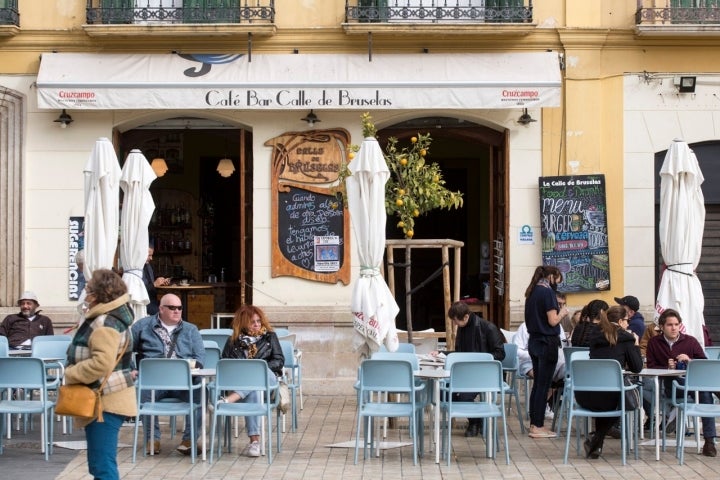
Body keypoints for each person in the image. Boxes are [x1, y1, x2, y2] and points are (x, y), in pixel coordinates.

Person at [64, 269, 137, 480]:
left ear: (98, 294)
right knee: (100, 464)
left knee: (102, 466)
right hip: (106, 399)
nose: (85, 293)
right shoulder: (111, 318)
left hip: (104, 402)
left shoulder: (105, 321)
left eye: (88, 289)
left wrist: (71, 373)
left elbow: (102, 363)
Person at [132, 293, 205, 456]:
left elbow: (200, 357)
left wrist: (192, 366)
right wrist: (132, 368)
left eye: (179, 308)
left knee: (200, 394)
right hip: (154, 381)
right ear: (161, 309)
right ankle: (152, 440)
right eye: (172, 308)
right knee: (144, 394)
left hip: (184, 381)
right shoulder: (142, 326)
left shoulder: (191, 329)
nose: (177, 311)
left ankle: (189, 441)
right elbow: (126, 350)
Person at [646, 308, 716, 457]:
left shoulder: (690, 341)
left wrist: (690, 361)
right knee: (705, 390)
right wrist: (667, 367)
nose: (674, 328)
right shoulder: (654, 342)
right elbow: (651, 367)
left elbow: (703, 363)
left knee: (704, 393)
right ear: (662, 326)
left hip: (692, 384)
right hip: (671, 386)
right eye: (670, 325)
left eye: (676, 324)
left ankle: (709, 441)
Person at [575, 306, 643, 459]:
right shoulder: (627, 338)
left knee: (609, 393)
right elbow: (637, 367)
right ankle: (596, 439)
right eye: (627, 321)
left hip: (585, 395)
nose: (628, 324)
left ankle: (596, 445)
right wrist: (636, 345)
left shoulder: (594, 336)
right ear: (620, 321)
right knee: (621, 399)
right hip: (611, 399)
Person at [220, 305, 285, 457]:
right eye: (252, 322)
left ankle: (232, 398)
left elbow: (279, 361)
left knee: (260, 376)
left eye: (259, 321)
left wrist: (257, 368)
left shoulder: (270, 337)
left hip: (267, 384)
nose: (257, 325)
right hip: (245, 386)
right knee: (254, 389)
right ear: (243, 324)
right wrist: (246, 373)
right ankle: (255, 442)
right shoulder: (232, 341)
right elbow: (225, 365)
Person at [447, 301, 505, 437]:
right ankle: (478, 419)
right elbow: (461, 354)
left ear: (466, 317)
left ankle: (475, 422)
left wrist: (480, 359)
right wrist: (441, 354)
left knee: (462, 396)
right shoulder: (463, 328)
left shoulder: (488, 328)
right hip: (466, 374)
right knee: (445, 393)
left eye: (456, 321)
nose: (455, 324)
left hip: (484, 375)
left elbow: (500, 353)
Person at [523, 265, 568, 439]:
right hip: (546, 342)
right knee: (545, 384)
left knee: (538, 385)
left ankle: (534, 422)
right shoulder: (547, 292)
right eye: (557, 279)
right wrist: (562, 312)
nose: (557, 283)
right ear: (551, 276)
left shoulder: (532, 291)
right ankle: (538, 426)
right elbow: (552, 320)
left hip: (534, 341)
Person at [513, 321, 567, 419]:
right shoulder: (525, 326)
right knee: (544, 376)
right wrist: (535, 354)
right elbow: (517, 350)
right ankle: (539, 406)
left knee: (564, 372)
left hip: (553, 360)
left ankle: (540, 404)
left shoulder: (558, 326)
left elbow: (563, 346)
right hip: (529, 361)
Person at [143, 244, 170, 316]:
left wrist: (161, 282)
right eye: (149, 255)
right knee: (166, 313)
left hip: (153, 300)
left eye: (151, 255)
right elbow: (138, 291)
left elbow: (152, 282)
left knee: (172, 308)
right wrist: (154, 284)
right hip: (144, 303)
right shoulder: (136, 270)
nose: (151, 258)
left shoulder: (148, 266)